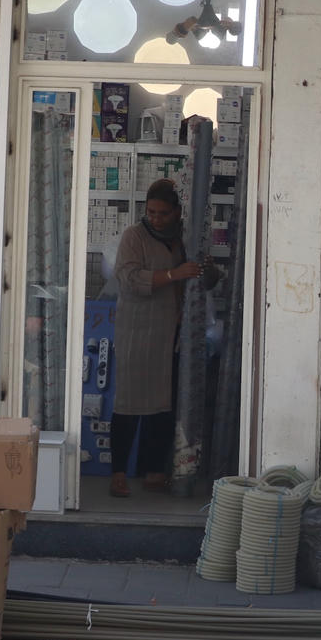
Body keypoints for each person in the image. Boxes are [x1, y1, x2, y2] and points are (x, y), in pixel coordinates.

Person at [108, 179, 214, 498]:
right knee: (129, 404)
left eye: (163, 214)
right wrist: (172, 275)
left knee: (164, 406)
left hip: (174, 334)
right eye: (151, 212)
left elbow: (206, 280)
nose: (155, 218)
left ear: (177, 213)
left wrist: (206, 269)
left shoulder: (185, 239)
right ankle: (118, 474)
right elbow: (127, 278)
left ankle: (155, 471)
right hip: (139, 333)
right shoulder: (134, 236)